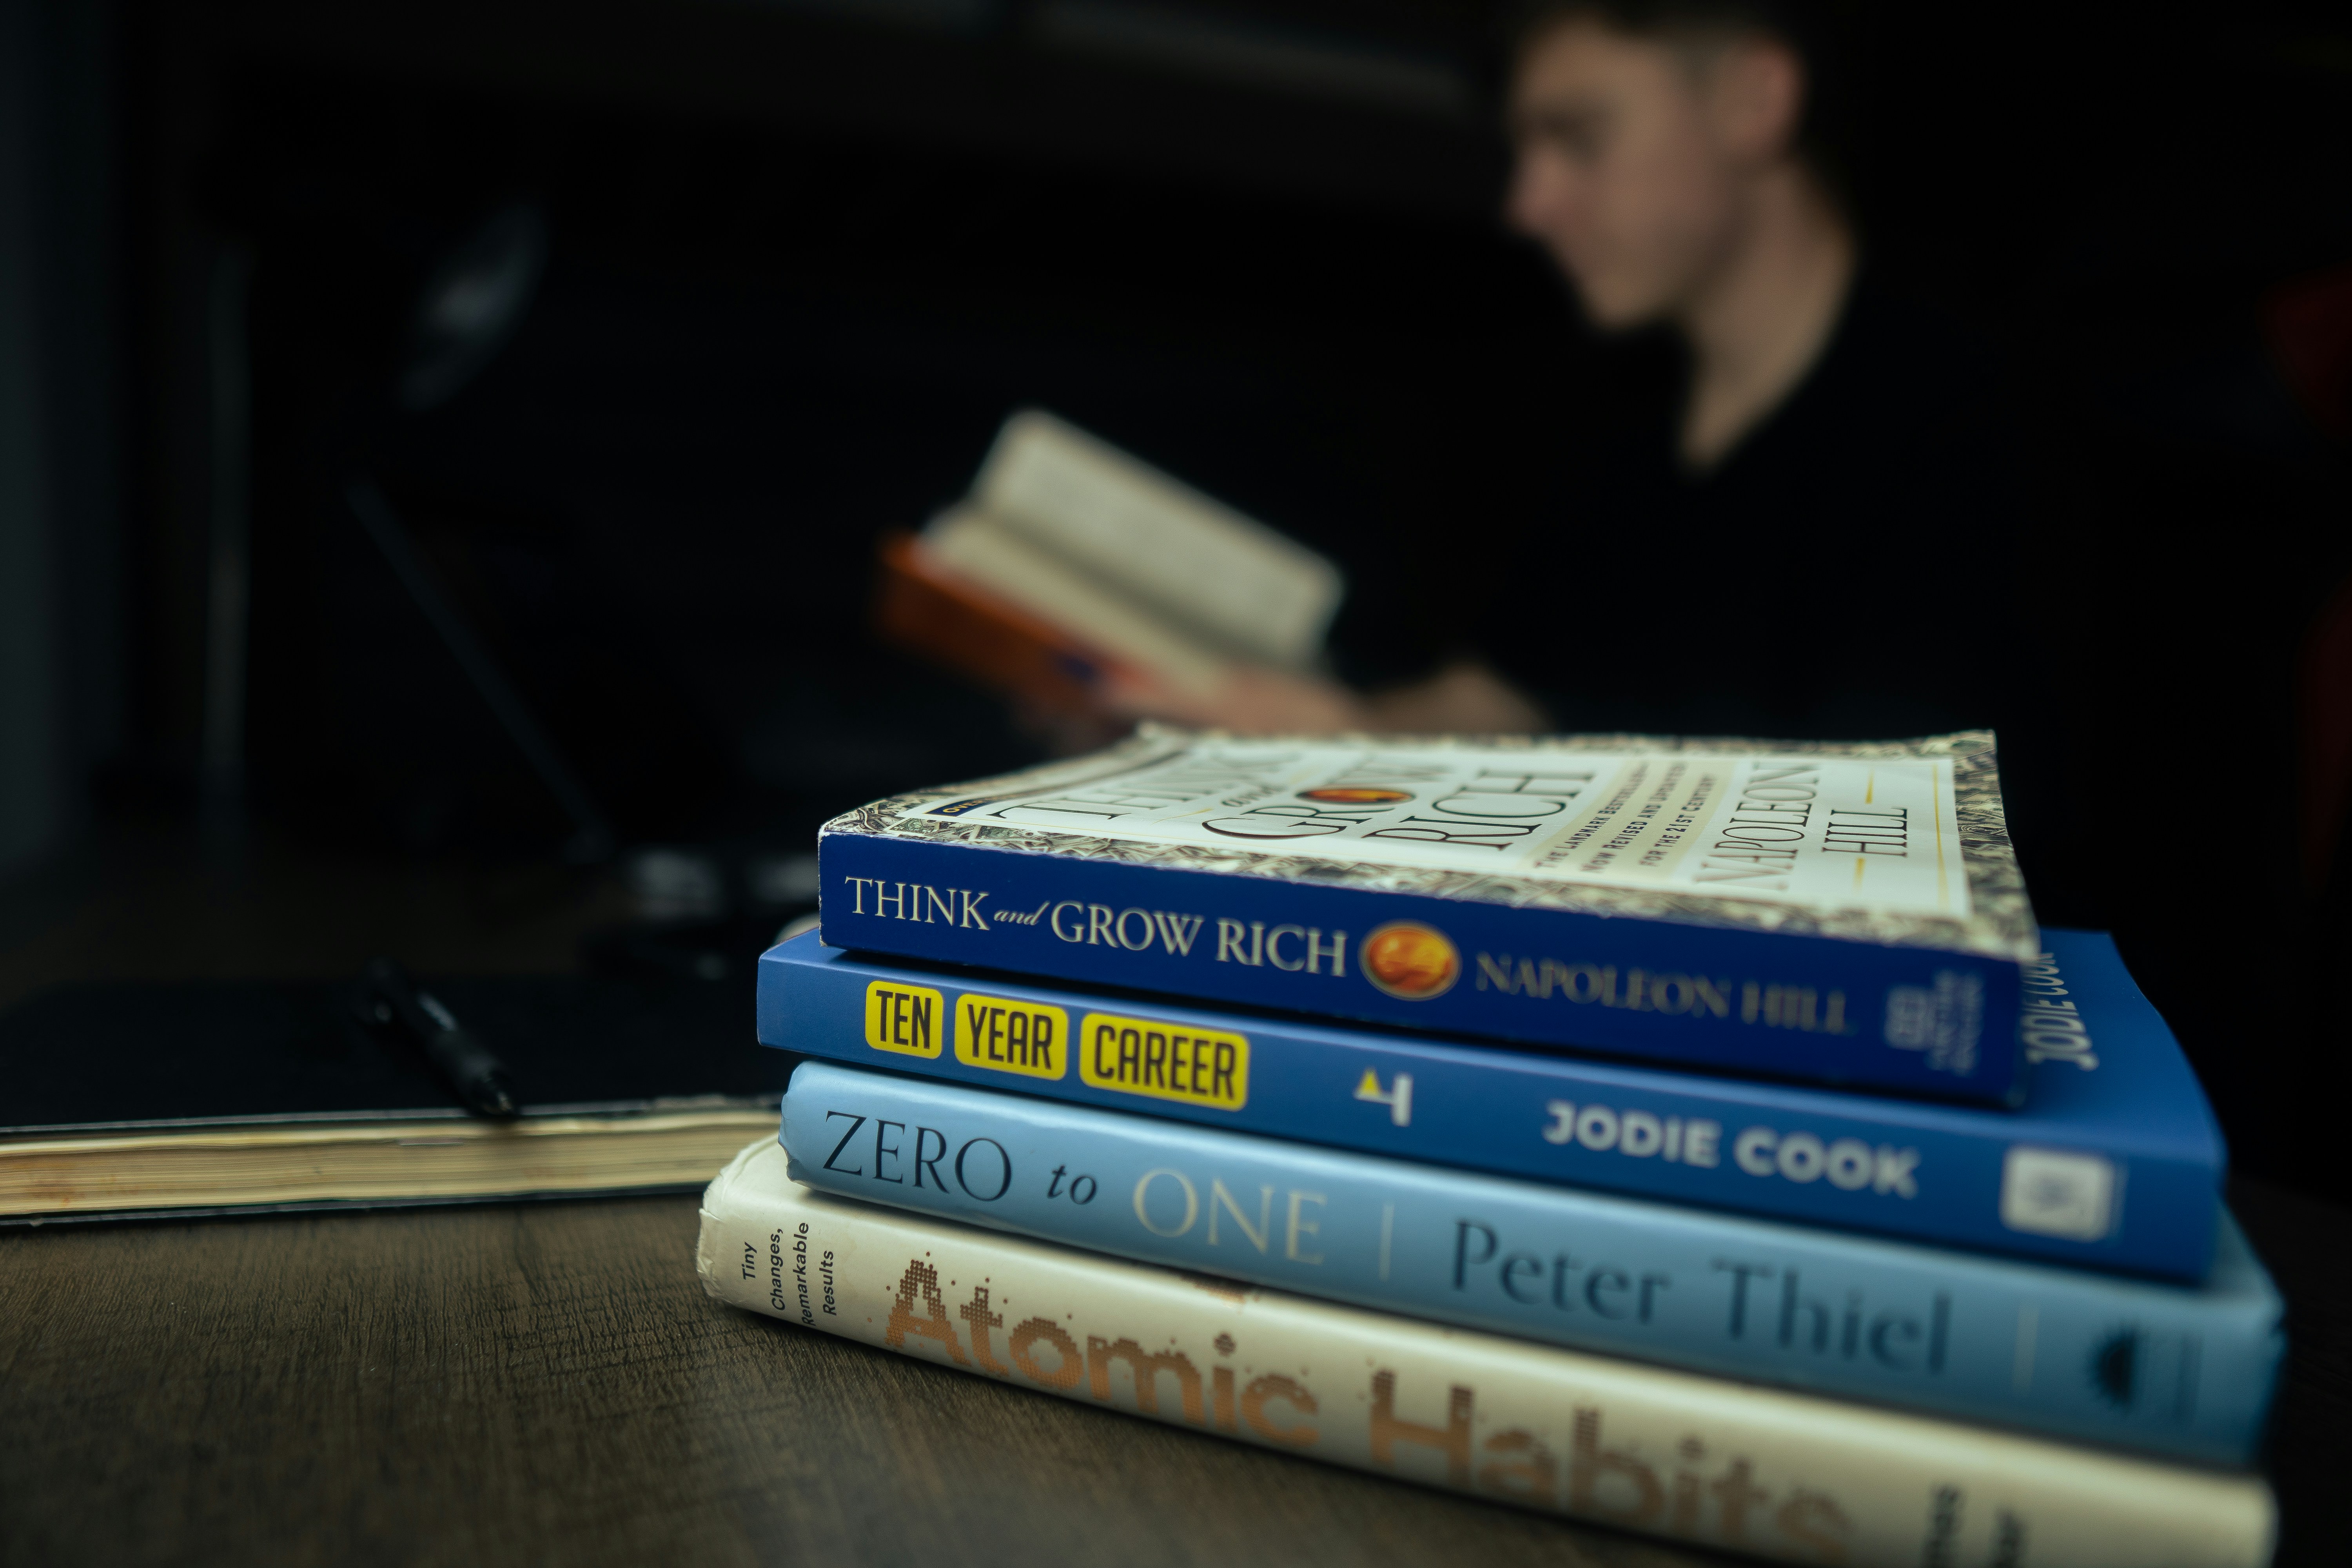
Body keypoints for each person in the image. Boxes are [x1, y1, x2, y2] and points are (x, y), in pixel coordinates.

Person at [1102, 0, 2022, 744]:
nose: (1527, 205)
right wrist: (1291, 722)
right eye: (1525, 150)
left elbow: (1894, 800)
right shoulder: (1618, 423)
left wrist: (1364, 742)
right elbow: (1507, 695)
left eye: (1578, 137)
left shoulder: (1978, 420)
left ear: (1756, 99)